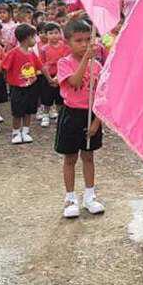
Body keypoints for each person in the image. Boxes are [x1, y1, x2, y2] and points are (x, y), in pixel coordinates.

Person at [55, 18, 105, 218]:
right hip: (71, 114)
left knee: (89, 156)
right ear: (68, 42)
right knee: (70, 158)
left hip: (91, 114)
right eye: (78, 40)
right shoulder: (64, 63)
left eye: (87, 40)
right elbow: (75, 82)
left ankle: (90, 196)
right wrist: (86, 60)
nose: (84, 44)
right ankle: (70, 198)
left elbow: (102, 96)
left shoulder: (98, 66)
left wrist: (96, 122)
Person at [1, 23, 42, 144]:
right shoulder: (13, 53)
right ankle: (16, 132)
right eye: (34, 37)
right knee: (17, 111)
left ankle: (26, 131)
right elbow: (4, 66)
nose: (35, 39)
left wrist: (50, 79)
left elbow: (40, 66)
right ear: (27, 38)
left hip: (31, 85)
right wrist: (4, 79)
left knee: (29, 110)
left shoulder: (32, 53)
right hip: (17, 87)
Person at [39, 23, 68, 127]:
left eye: (56, 33)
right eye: (50, 33)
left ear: (60, 34)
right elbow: (42, 65)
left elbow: (66, 63)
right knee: (47, 97)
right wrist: (49, 79)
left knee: (60, 98)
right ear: (46, 35)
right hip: (48, 76)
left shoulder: (65, 47)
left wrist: (58, 77)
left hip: (61, 75)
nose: (54, 35)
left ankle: (60, 116)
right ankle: (45, 115)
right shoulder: (43, 49)